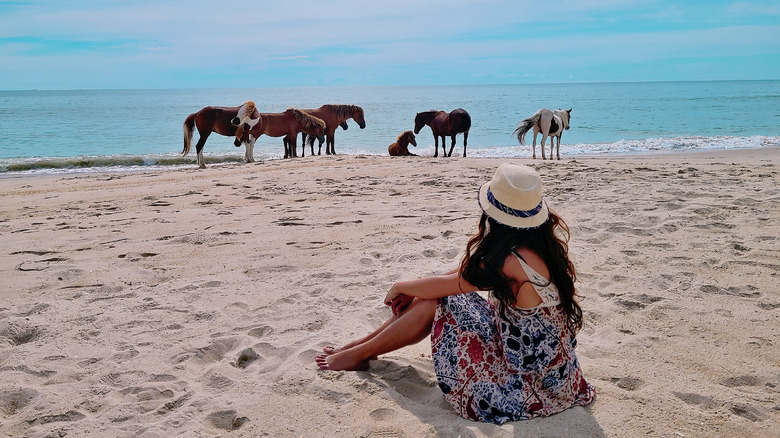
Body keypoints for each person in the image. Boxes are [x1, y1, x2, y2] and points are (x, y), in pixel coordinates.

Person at [315, 163, 595, 423]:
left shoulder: (511, 262)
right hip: (558, 375)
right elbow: (458, 274)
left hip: (526, 384)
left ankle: (361, 352)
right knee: (437, 294)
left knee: (436, 301)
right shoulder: (539, 246)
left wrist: (401, 287)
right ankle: (362, 347)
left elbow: (452, 285)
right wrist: (414, 287)